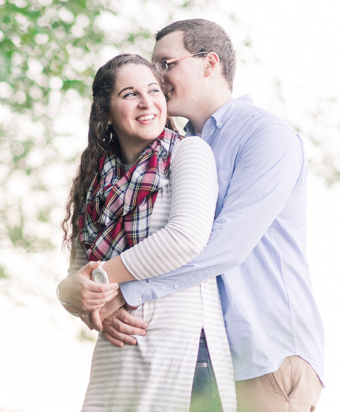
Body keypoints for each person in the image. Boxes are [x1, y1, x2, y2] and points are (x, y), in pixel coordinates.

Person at [82, 19, 325, 412]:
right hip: (208, 357)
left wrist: (123, 292)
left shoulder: (266, 135)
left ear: (209, 63)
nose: (157, 77)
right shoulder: (176, 149)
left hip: (265, 352)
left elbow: (225, 247)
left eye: (166, 64)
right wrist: (91, 298)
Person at [57, 53, 237, 412]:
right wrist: (69, 294)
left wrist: (104, 283)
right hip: (117, 354)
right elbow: (80, 274)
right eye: (129, 94)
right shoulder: (94, 176)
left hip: (181, 353)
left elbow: (185, 237)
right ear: (106, 110)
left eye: (153, 90)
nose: (146, 102)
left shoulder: (187, 153)